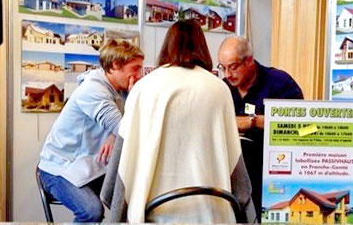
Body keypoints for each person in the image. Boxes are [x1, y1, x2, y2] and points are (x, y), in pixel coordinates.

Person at [101, 19, 256, 223]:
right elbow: (238, 175)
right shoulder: (219, 89)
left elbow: (116, 178)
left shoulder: (144, 87)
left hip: (153, 215)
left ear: (167, 45)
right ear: (203, 48)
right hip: (211, 215)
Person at [37, 39, 144, 222]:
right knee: (91, 211)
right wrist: (133, 100)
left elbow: (121, 127)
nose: (139, 75)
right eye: (135, 68)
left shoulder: (118, 88)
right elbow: (126, 129)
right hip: (58, 169)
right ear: (116, 65)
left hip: (88, 165)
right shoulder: (93, 90)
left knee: (133, 199)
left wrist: (112, 135)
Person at [217, 36, 303, 217]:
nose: (227, 74)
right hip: (233, 181)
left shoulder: (280, 83)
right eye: (222, 68)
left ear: (249, 60)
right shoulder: (223, 89)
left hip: (272, 178)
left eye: (232, 67)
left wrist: (252, 121)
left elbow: (299, 126)